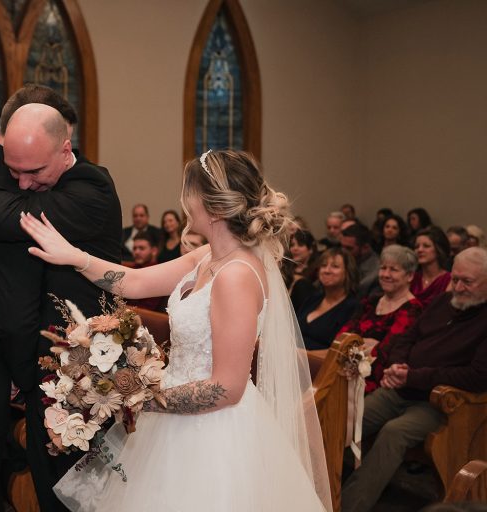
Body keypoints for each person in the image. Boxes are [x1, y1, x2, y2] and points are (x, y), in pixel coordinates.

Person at [20, 149, 331, 511]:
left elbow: (226, 388)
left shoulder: (236, 276)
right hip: (170, 418)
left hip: (213, 435)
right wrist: (75, 256)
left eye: (189, 193)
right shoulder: (208, 257)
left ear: (212, 207)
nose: (184, 202)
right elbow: (133, 282)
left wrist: (139, 399)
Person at [0, 98, 122, 512]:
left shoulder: (91, 188)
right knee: (52, 495)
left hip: (85, 372)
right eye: (14, 172)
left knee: (80, 499)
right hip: (48, 372)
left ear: (66, 150)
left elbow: (17, 216)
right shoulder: (51, 182)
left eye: (34, 172)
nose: (24, 183)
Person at [340, 247, 487, 512]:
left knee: (394, 433)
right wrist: (397, 365)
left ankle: (349, 506)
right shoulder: (444, 301)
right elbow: (406, 336)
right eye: (455, 279)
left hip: (439, 403)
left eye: (468, 281)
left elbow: (476, 376)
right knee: (346, 417)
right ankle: (311, 488)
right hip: (400, 389)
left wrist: (414, 376)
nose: (458, 287)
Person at [336, 245, 423, 393]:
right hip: (347, 371)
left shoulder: (413, 309)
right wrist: (367, 346)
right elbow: (342, 337)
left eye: (394, 270)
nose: (386, 274)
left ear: (410, 276)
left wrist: (359, 344)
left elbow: (385, 355)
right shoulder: (371, 300)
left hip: (376, 383)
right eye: (383, 268)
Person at [297, 247, 359, 350]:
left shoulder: (353, 307)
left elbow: (339, 351)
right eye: (324, 265)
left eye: (335, 266)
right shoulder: (312, 299)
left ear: (348, 272)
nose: (327, 270)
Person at [411, 227, 451, 308]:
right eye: (417, 246)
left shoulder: (449, 279)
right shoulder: (411, 278)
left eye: (426, 246)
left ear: (438, 250)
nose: (420, 250)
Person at [127, 232, 168, 312]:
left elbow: (147, 309)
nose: (137, 252)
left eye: (141, 248)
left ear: (154, 251)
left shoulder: (158, 274)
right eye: (134, 248)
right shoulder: (131, 269)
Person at [341, 223, 379, 297]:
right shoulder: (344, 260)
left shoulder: (375, 274)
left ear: (365, 247)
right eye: (342, 247)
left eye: (349, 248)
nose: (343, 252)